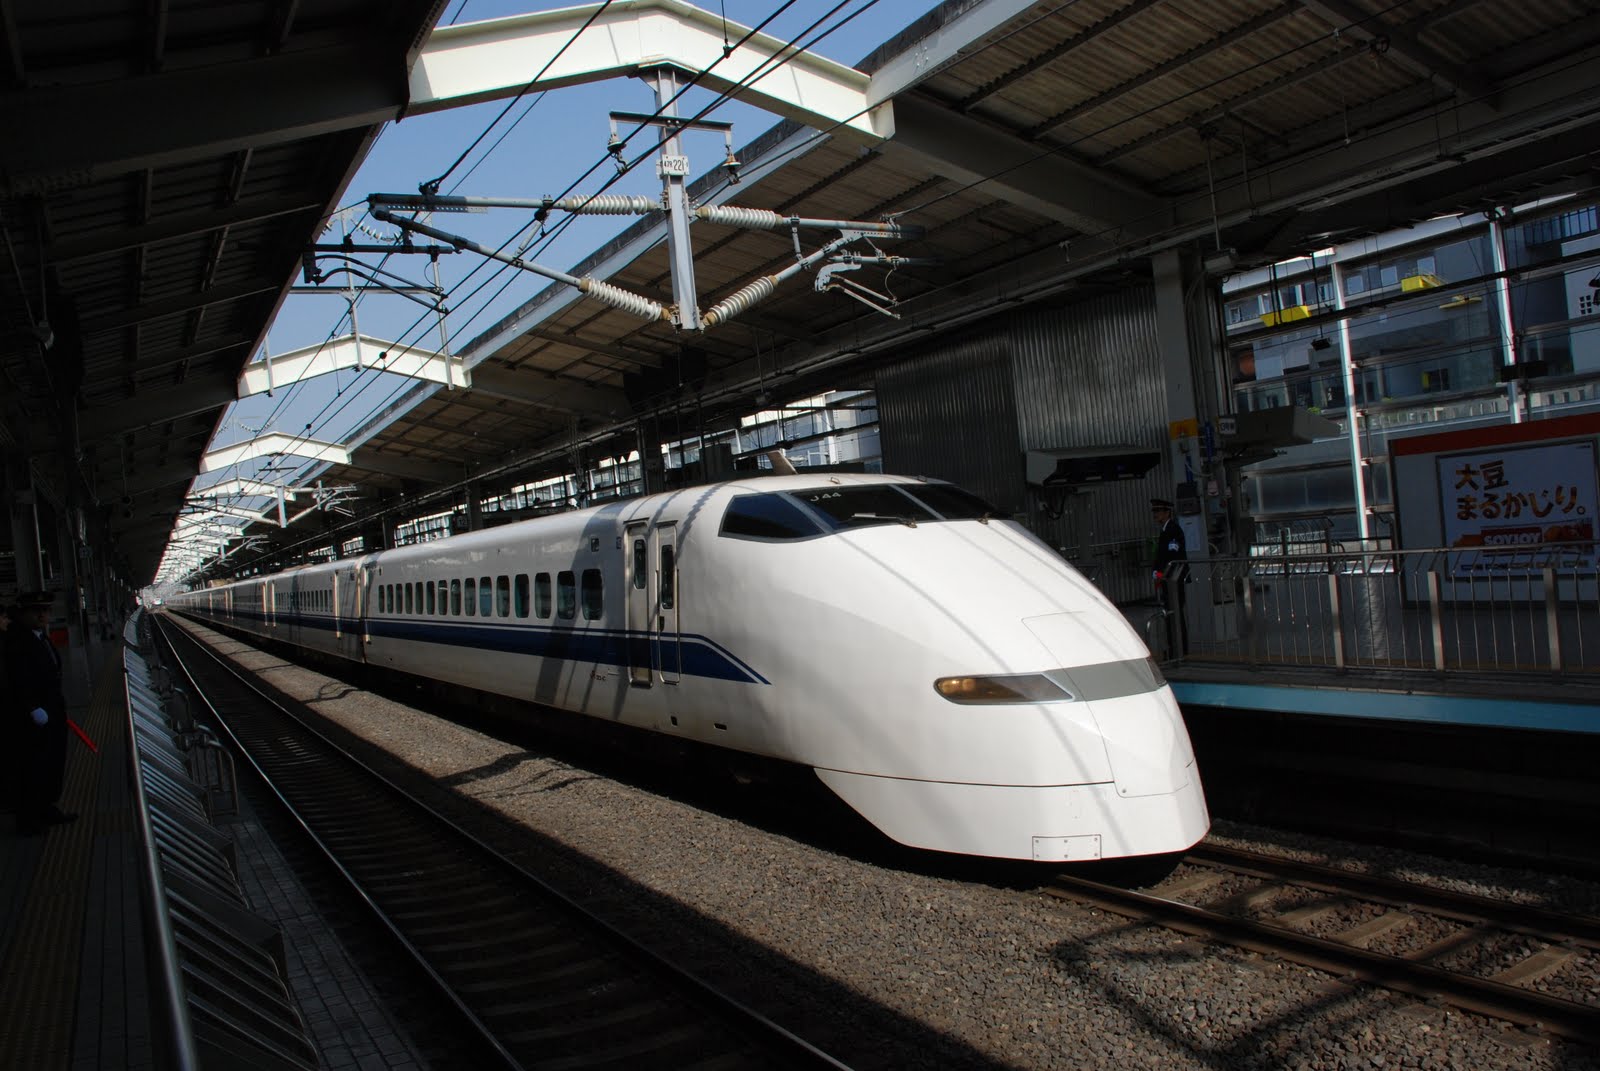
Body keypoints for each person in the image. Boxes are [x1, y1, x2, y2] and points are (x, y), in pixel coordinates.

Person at [6, 591, 76, 835]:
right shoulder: (15, 641)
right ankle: (28, 819)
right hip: (30, 719)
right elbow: (14, 678)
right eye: (36, 611)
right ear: (22, 613)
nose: (42, 615)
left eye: (45, 610)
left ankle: (46, 808)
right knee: (31, 766)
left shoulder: (39, 638)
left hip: (51, 713)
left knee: (50, 763)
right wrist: (32, 707)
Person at [1150, 498, 1188, 656]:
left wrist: (1161, 572)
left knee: (1175, 613)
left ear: (1167, 512)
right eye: (1154, 511)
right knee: (1171, 613)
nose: (1155, 514)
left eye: (1158, 511)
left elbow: (1172, 556)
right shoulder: (1166, 530)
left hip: (1173, 579)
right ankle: (1175, 648)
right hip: (1168, 579)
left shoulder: (1173, 530)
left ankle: (1179, 649)